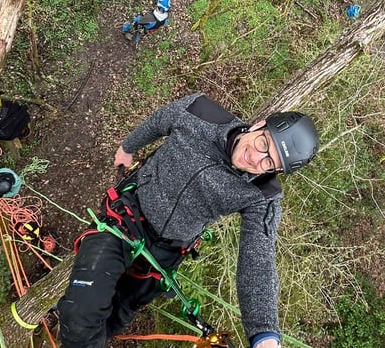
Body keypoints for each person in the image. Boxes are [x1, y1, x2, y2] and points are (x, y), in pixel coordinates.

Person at [57, 93, 320, 348]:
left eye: (268, 162)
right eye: (264, 144)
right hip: (126, 218)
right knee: (79, 319)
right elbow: (159, 121)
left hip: (166, 252)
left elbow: (258, 260)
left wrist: (264, 334)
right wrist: (128, 147)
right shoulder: (200, 112)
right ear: (260, 125)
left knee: (117, 317)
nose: (254, 158)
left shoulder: (262, 195)